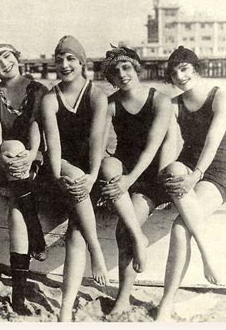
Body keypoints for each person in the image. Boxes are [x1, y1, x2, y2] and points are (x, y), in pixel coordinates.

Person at [156, 46, 226, 321]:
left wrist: (195, 175)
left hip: (219, 167)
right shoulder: (174, 104)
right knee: (172, 167)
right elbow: (168, 143)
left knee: (179, 227)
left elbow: (213, 140)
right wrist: (165, 177)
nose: (179, 75)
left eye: (184, 68)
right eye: (174, 72)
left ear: (195, 68)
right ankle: (204, 249)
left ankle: (166, 301)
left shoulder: (219, 95)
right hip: (189, 165)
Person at [99, 45, 172, 314]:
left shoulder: (160, 100)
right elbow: (98, 144)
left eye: (126, 67)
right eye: (115, 72)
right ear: (111, 79)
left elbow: (152, 148)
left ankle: (123, 298)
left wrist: (129, 180)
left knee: (123, 232)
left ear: (136, 68)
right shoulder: (111, 104)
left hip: (150, 175)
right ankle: (140, 236)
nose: (122, 74)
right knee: (107, 165)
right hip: (125, 170)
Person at [40, 35, 108, 321]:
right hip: (61, 171)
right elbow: (53, 146)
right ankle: (98, 252)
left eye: (71, 59)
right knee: (73, 173)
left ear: (82, 63)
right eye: (60, 60)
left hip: (89, 171)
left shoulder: (96, 95)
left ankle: (65, 309)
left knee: (75, 234)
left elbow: (96, 140)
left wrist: (92, 175)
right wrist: (58, 176)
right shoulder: (50, 98)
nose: (65, 65)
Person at [0, 37, 47, 314]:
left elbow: (37, 127)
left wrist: (30, 154)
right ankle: (38, 236)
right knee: (11, 146)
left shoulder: (39, 89)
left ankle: (18, 295)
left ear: (16, 56)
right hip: (3, 159)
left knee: (16, 213)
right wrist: (6, 158)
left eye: (7, 57)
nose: (4, 64)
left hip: (33, 160)